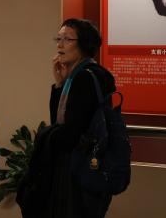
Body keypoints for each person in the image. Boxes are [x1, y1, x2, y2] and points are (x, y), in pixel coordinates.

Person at [20, 19, 115, 218]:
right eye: (58, 38)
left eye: (67, 39)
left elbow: (69, 135)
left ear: (84, 44)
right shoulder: (84, 75)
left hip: (76, 168)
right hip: (88, 166)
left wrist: (45, 136)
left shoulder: (84, 78)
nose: (60, 45)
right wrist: (59, 84)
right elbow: (59, 120)